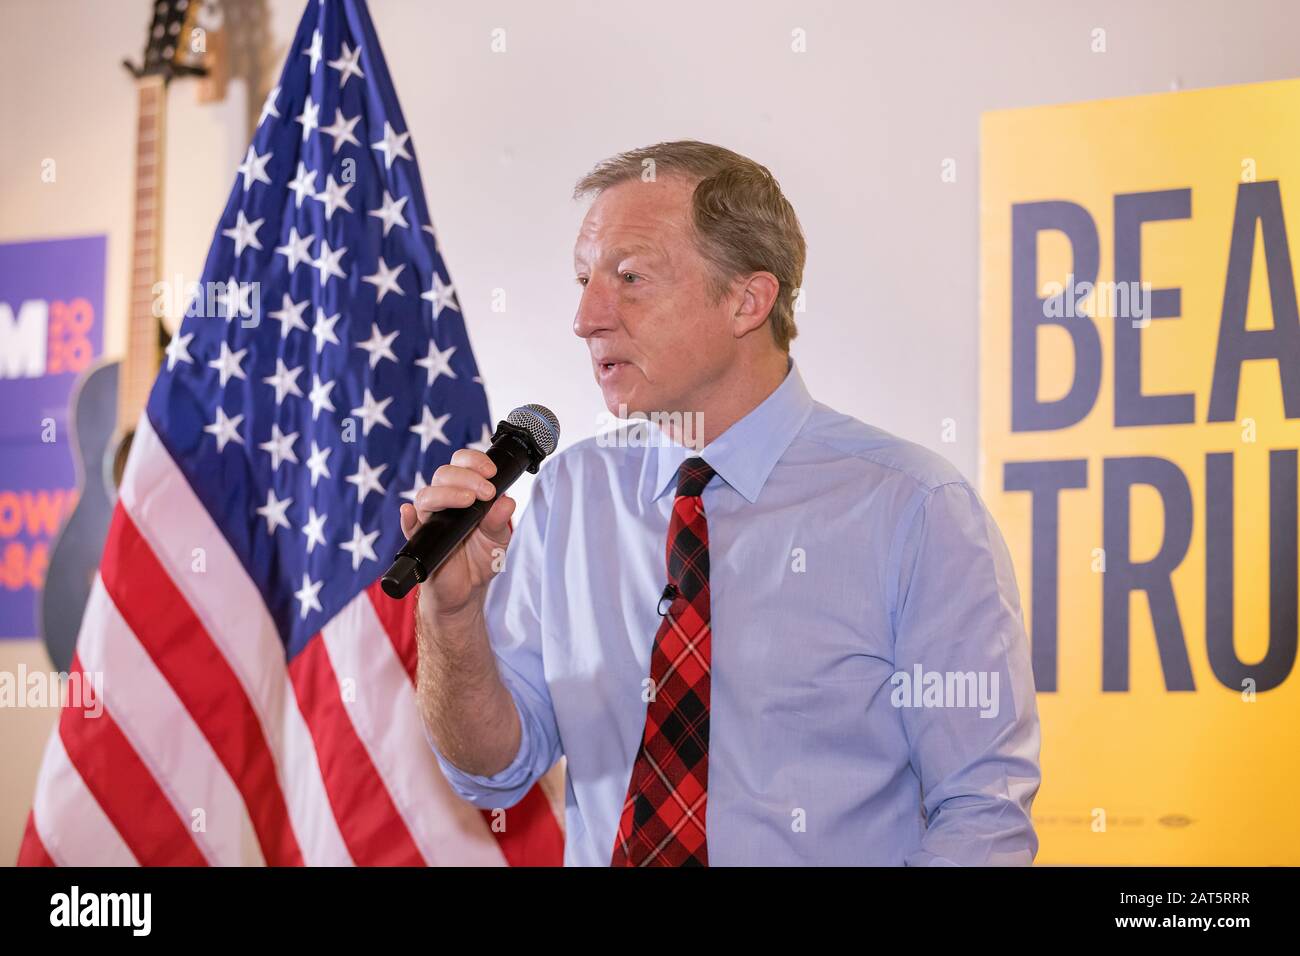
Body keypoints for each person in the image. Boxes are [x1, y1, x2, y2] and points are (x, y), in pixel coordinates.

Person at [401, 140, 1041, 866]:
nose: (585, 318)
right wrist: (450, 618)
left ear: (747, 300)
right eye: (583, 280)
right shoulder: (570, 495)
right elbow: (493, 769)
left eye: (630, 277)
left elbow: (982, 812)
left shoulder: (915, 510)